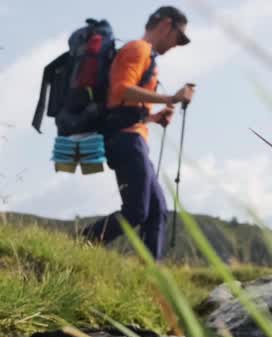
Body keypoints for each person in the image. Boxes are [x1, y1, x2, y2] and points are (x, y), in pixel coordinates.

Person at [80, 6, 195, 260]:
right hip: (126, 140)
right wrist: (171, 98)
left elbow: (123, 104)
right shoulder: (138, 49)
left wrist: (153, 117)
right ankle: (82, 242)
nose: (177, 44)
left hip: (133, 137)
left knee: (157, 211)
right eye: (179, 37)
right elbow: (122, 89)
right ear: (166, 25)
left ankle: (150, 277)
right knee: (136, 211)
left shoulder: (145, 54)